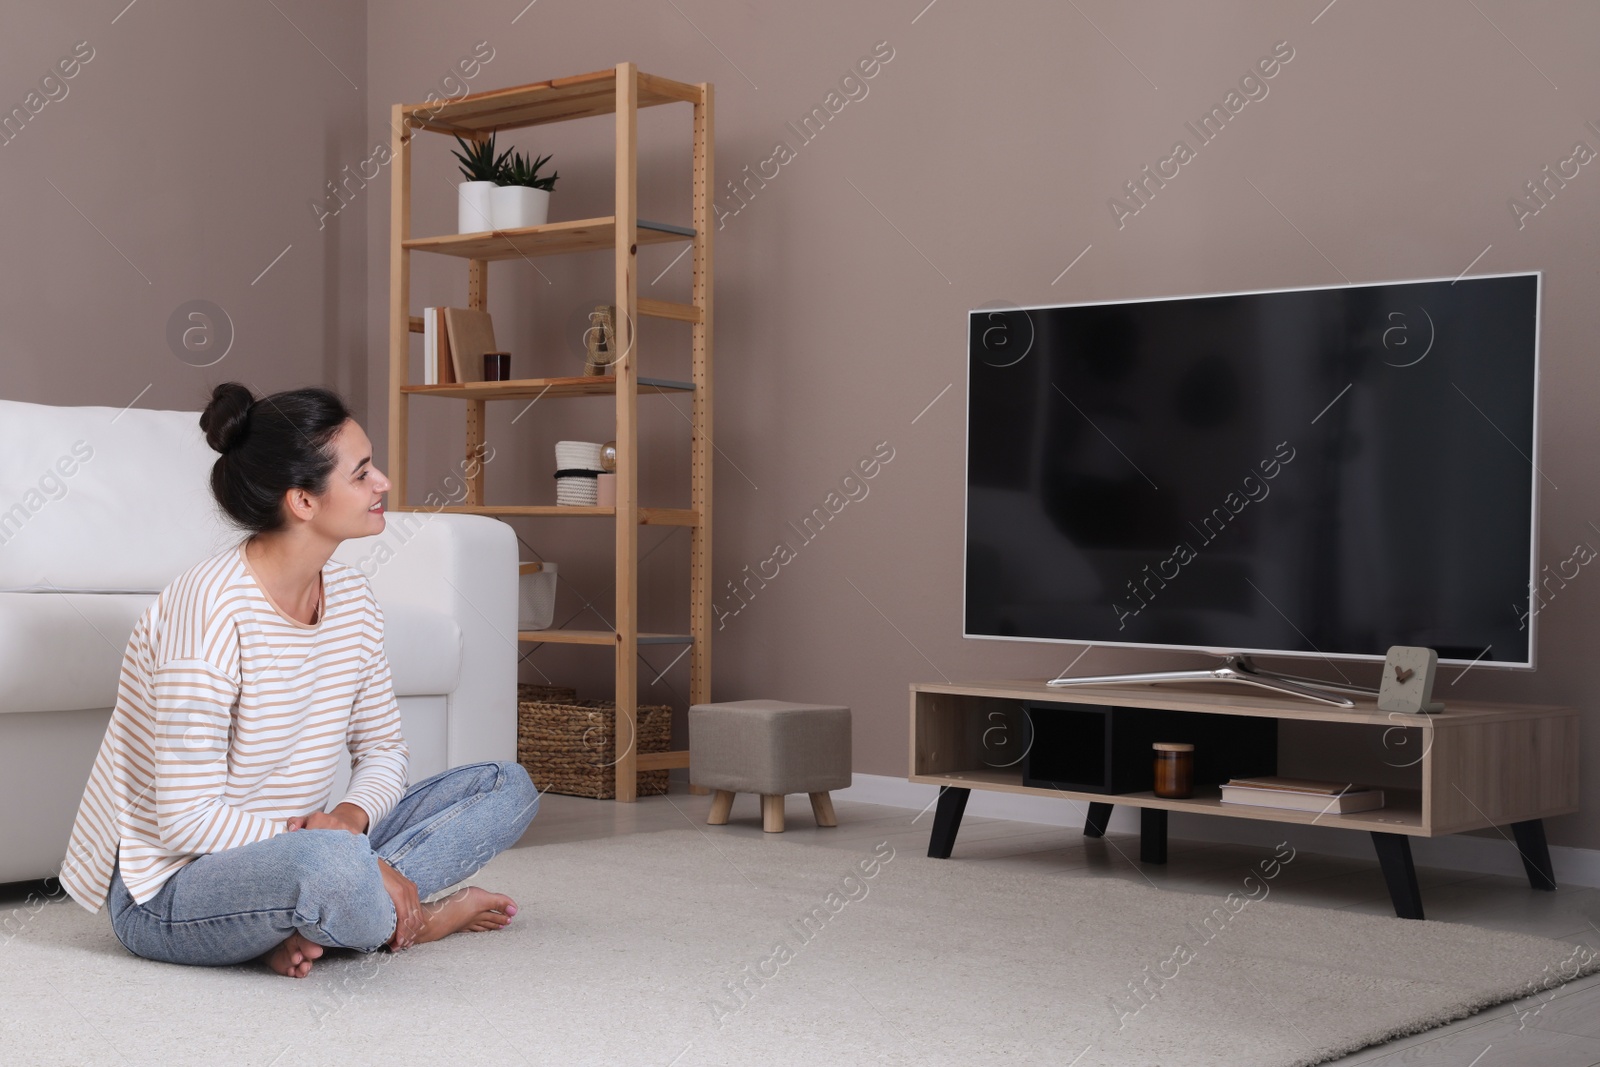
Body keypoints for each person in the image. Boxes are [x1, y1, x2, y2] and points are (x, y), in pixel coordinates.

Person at [59, 382, 539, 978]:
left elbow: (385, 749)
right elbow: (185, 818)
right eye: (361, 473)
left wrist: (349, 821)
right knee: (331, 874)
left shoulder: (353, 599)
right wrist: (340, 854)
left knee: (506, 787)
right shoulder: (207, 609)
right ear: (303, 502)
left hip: (308, 848)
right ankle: (416, 917)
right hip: (173, 886)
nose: (382, 482)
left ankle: (322, 913)